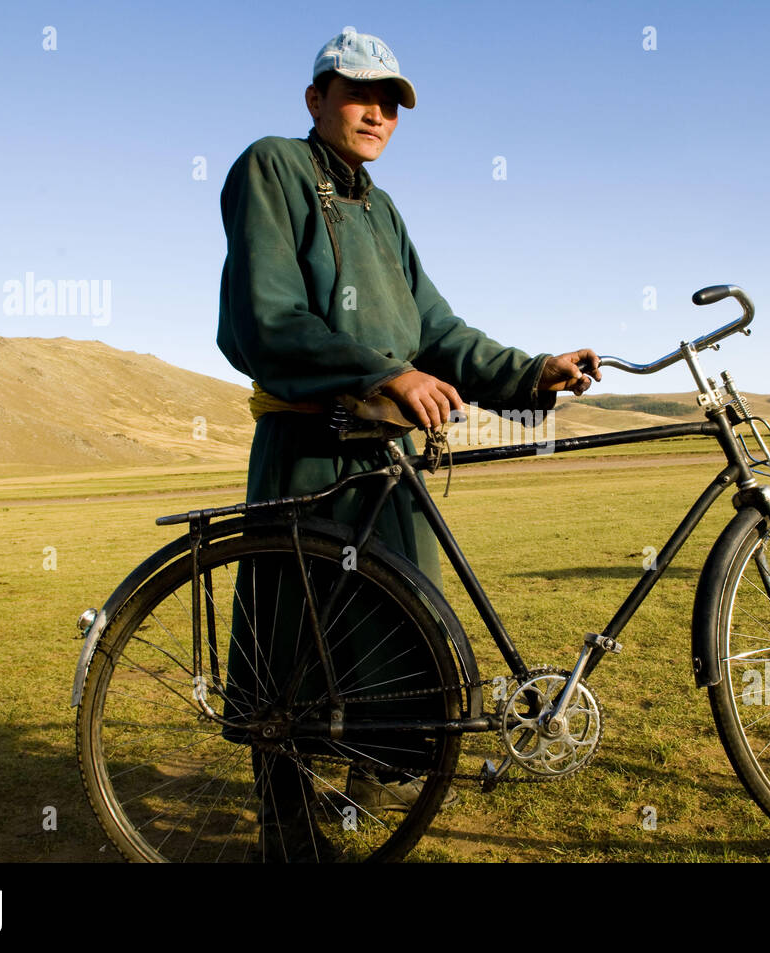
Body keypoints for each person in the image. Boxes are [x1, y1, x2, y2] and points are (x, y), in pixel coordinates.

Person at [215, 28, 600, 860]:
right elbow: (266, 317)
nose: (378, 112)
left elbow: (437, 330)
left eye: (391, 101)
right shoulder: (272, 168)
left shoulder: (381, 209)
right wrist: (383, 372)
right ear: (316, 96)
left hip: (384, 465)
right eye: (361, 94)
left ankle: (361, 799)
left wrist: (534, 371)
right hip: (310, 450)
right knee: (297, 647)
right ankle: (286, 827)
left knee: (397, 647)